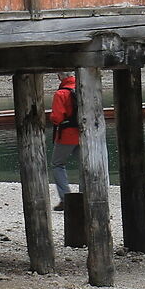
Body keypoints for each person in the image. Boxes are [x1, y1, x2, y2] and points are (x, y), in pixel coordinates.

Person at [49, 71, 81, 203]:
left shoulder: (61, 94)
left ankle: (66, 198)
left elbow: (57, 118)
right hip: (84, 134)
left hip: (66, 136)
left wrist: (51, 118)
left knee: (57, 164)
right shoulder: (82, 88)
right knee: (85, 164)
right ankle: (87, 194)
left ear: (60, 76)